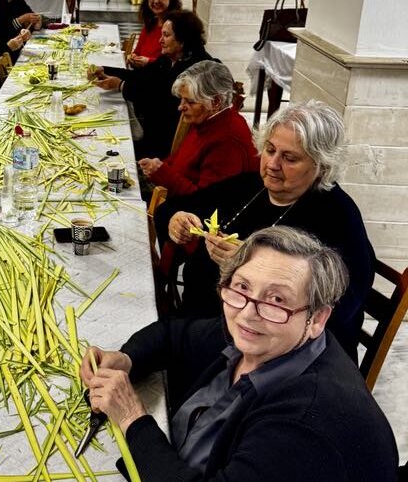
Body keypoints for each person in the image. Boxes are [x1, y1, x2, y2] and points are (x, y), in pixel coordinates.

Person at [81, 226, 398, 482]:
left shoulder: (304, 424)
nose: (248, 314)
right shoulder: (259, 331)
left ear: (317, 319)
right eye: (242, 286)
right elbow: (172, 335)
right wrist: (127, 358)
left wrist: (131, 418)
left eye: (276, 299)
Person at [156, 100, 374, 359]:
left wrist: (249, 266)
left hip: (270, 353)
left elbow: (340, 306)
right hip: (202, 324)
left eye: (289, 158)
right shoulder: (249, 187)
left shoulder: (338, 216)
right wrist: (176, 219)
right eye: (270, 150)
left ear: (321, 166)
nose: (272, 164)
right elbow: (173, 208)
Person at [93, 10, 213, 158]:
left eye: (166, 35)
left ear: (182, 40)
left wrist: (121, 85)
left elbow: (156, 100)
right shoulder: (170, 58)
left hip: (163, 144)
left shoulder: (196, 68)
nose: (160, 40)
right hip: (153, 130)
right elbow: (141, 76)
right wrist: (105, 69)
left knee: (103, 145)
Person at [138, 60, 257, 197]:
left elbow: (206, 202)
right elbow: (180, 160)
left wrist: (163, 173)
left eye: (190, 101)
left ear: (216, 102)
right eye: (182, 100)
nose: (180, 107)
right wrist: (157, 166)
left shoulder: (227, 142)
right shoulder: (206, 120)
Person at [130, 0, 183, 67]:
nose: (156, 1)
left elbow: (174, 63)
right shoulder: (150, 23)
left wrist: (148, 62)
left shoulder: (177, 26)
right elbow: (137, 51)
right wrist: (133, 57)